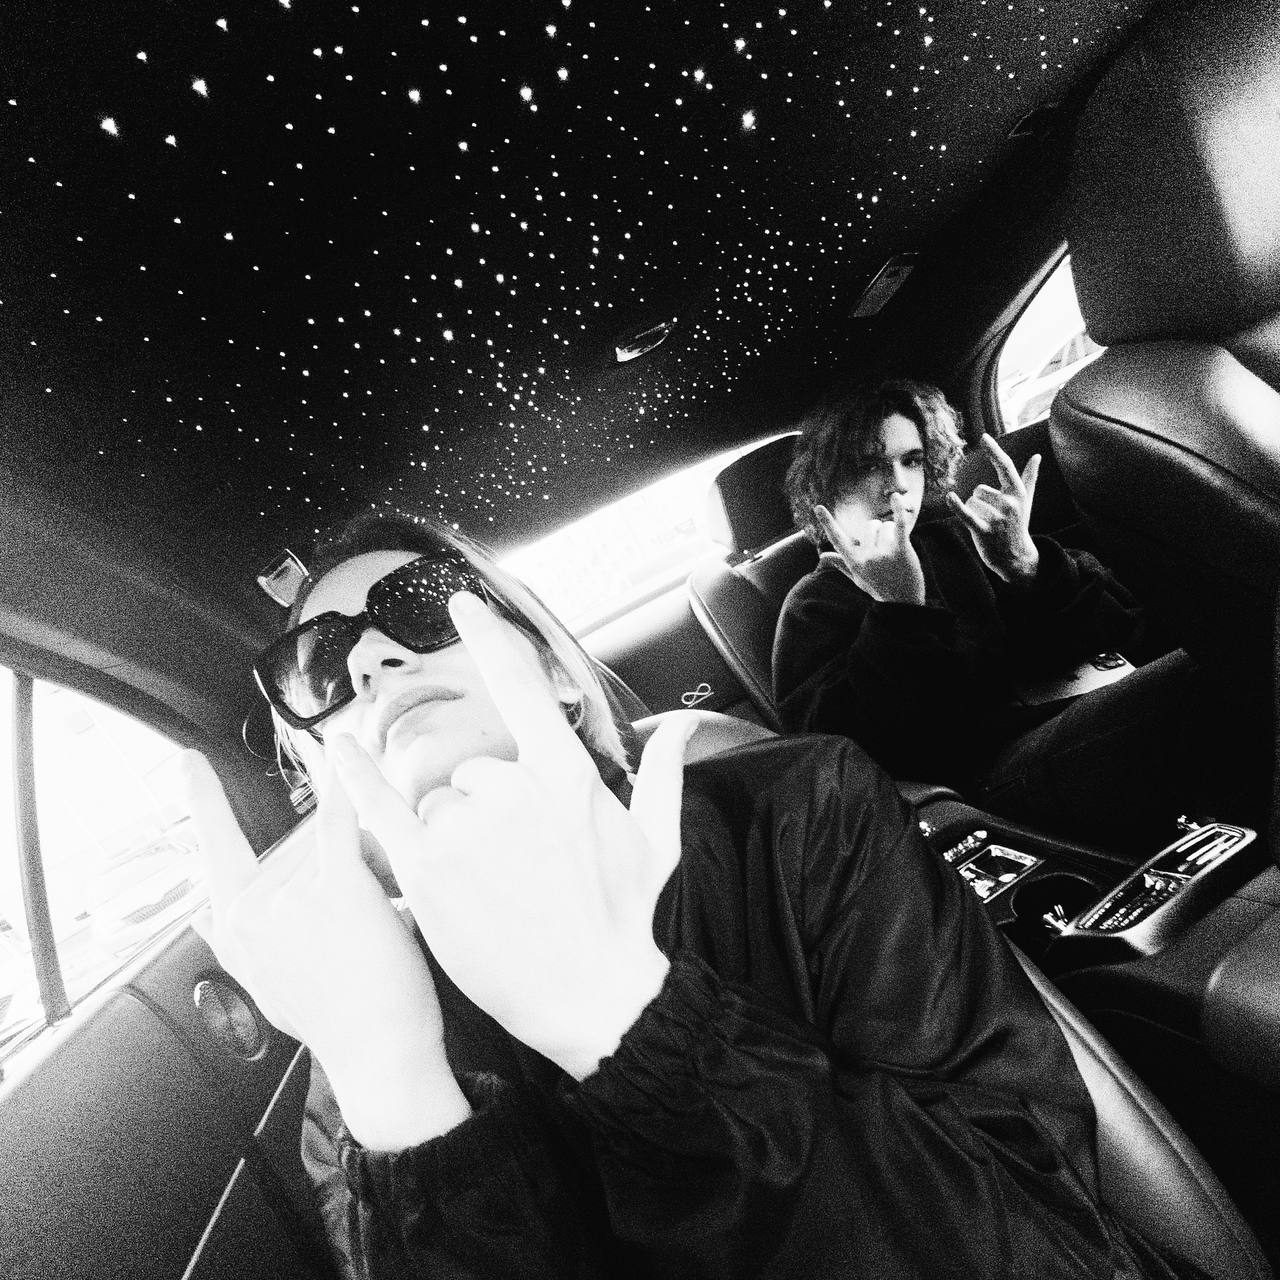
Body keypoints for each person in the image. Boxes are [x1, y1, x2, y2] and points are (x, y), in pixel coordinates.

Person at [186, 512, 1203, 1279]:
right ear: (317, 767)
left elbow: (1046, 1240)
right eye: (318, 667)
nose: (373, 658)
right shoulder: (353, 1061)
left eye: (420, 604)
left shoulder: (801, 808)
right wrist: (400, 1096)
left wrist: (630, 1027)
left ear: (554, 671)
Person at [772, 379, 1268, 855]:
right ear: (825, 482)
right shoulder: (813, 606)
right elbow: (867, 767)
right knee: (1219, 671)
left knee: (1233, 648)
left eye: (913, 460)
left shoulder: (958, 540)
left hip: (1077, 720)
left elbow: (1129, 633)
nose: (898, 485)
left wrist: (1028, 567)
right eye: (867, 465)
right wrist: (899, 614)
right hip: (987, 790)